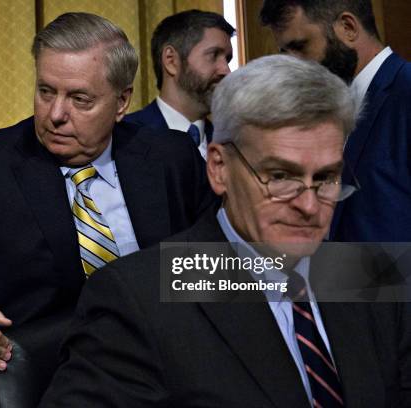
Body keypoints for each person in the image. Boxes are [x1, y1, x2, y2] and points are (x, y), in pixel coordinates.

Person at [0, 12, 209, 407]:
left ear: (122, 102)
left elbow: (225, 267)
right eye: (46, 91)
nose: (56, 114)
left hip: (160, 388)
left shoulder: (171, 158)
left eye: (80, 99)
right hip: (31, 392)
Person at [39, 55, 411, 407]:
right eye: (280, 177)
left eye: (327, 178)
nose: (309, 206)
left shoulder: (368, 273)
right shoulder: (140, 297)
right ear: (218, 168)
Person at [260, 0, 411, 242]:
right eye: (285, 53)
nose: (292, 65)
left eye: (300, 46)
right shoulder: (319, 112)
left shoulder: (406, 92)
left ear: (348, 28)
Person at [124, 10, 234, 160]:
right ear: (171, 61)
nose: (226, 71)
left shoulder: (234, 145)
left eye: (227, 59)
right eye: (214, 55)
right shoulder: (123, 139)